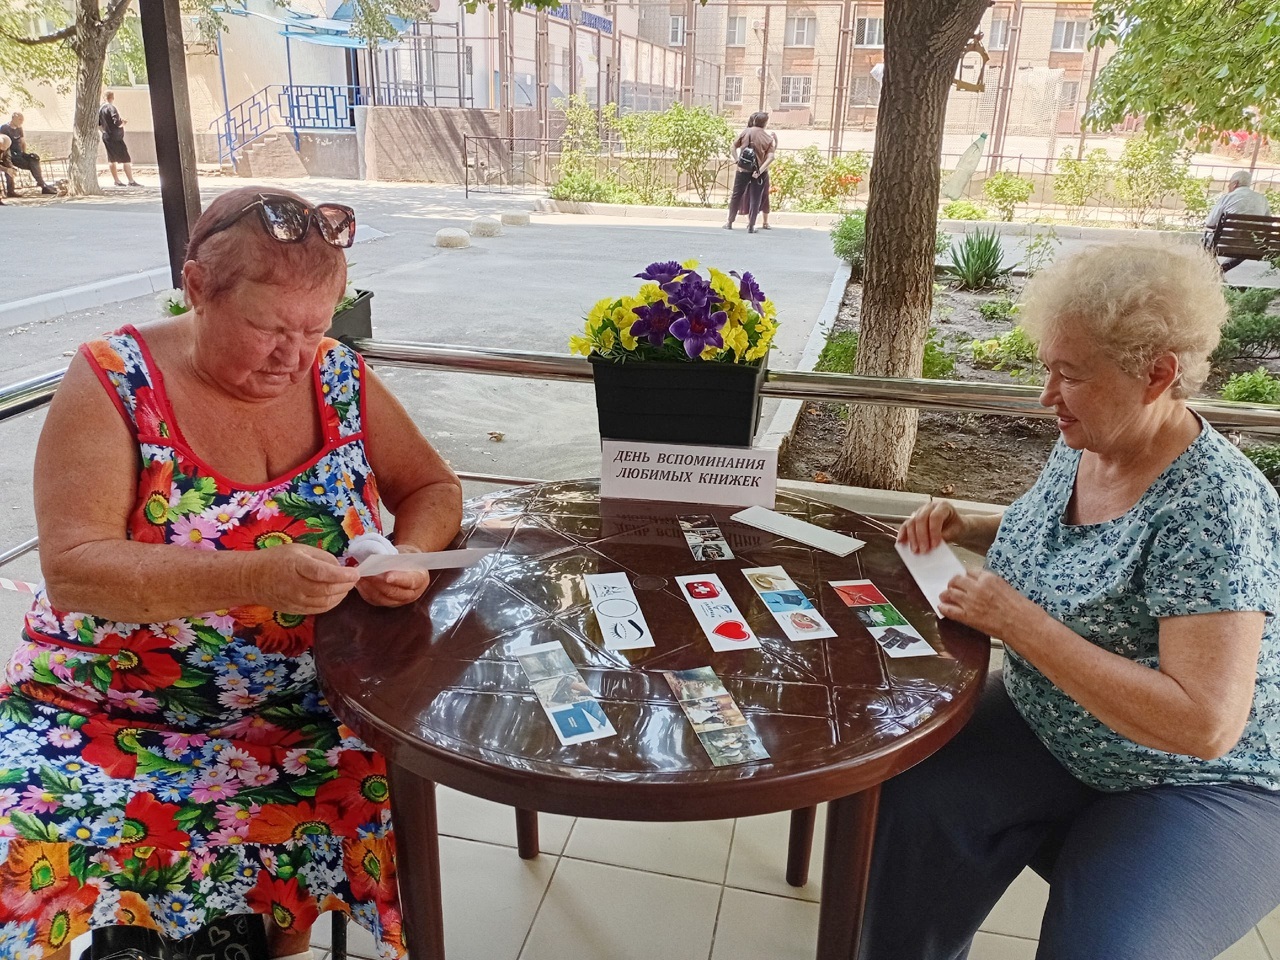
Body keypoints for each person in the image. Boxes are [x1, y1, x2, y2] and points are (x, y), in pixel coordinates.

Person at [0, 185, 463, 959]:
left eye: (315, 327)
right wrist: (255, 578)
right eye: (268, 328)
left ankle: (266, 941)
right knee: (39, 834)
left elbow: (433, 489)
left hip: (309, 708)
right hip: (105, 708)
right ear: (197, 288)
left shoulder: (336, 374)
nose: (294, 355)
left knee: (349, 792)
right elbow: (76, 569)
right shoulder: (114, 380)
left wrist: (404, 556)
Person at [863, 240, 1280, 960]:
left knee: (1106, 949)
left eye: (1072, 375)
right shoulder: (1092, 438)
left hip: (1196, 780)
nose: (1047, 395)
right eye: (1049, 367)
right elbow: (1079, 544)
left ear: (1157, 375)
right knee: (904, 795)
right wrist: (971, 525)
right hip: (1054, 720)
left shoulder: (1214, 509)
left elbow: (1205, 724)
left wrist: (1019, 625)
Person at [1204, 169, 1272, 272]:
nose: (1228, 186)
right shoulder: (1262, 199)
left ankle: (1217, 271)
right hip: (1252, 245)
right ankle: (1222, 270)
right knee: (1245, 249)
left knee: (1205, 241)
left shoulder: (1227, 198)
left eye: (1229, 183)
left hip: (1226, 242)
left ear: (1235, 183)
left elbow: (1210, 222)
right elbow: (1268, 225)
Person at [725, 112, 774, 233]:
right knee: (755, 198)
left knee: (736, 195)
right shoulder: (768, 138)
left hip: (742, 169)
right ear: (765, 123)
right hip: (759, 172)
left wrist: (737, 161)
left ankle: (730, 222)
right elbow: (771, 157)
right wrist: (760, 171)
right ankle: (751, 226)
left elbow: (733, 147)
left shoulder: (746, 132)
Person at [0, 112, 57, 196]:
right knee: (9, 167)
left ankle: (43, 185)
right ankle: (10, 191)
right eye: (20, 119)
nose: (21, 122)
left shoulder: (19, 129)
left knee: (33, 159)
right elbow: (2, 141)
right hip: (8, 154)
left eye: (22, 120)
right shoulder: (4, 128)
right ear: (13, 118)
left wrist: (24, 153)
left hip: (19, 154)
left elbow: (22, 142)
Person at [98, 91, 140, 187]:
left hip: (106, 136)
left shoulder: (100, 109)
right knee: (126, 159)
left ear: (104, 98)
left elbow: (98, 124)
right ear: (112, 97)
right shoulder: (111, 108)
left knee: (111, 159)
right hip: (116, 137)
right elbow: (117, 122)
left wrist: (104, 131)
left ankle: (117, 180)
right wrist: (123, 123)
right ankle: (131, 181)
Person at [0, 134, 17, 205]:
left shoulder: (6, 148)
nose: (2, 150)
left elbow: (7, 158)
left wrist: (11, 168)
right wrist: (6, 169)